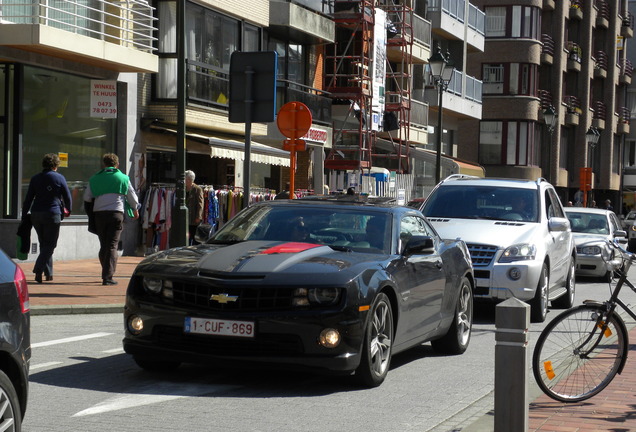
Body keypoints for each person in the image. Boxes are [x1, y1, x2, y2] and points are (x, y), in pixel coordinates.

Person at [84, 153, 139, 286]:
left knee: (104, 245)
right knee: (112, 245)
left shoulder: (95, 178)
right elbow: (132, 197)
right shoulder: (123, 178)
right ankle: (108, 276)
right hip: (116, 214)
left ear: (104, 164)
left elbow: (87, 198)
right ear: (117, 164)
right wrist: (135, 209)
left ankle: (106, 270)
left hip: (99, 215)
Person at [21, 153, 72, 283]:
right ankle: (38, 269)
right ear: (56, 165)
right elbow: (67, 197)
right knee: (51, 244)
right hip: (52, 213)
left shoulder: (35, 178)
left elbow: (28, 198)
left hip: (36, 213)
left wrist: (24, 215)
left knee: (44, 244)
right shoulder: (59, 178)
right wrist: (69, 210)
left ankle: (48, 273)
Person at [185, 170, 204, 245]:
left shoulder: (197, 189)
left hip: (193, 217)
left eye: (185, 179)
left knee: (194, 235)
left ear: (189, 180)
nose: (184, 181)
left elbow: (200, 204)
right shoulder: (184, 189)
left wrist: (198, 217)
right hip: (186, 218)